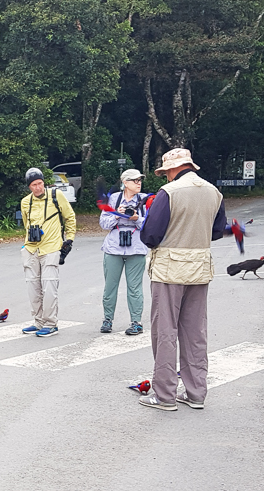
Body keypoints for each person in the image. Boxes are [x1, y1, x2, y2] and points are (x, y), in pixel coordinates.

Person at [138, 148, 227, 412]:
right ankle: (196, 392)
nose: (165, 177)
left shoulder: (170, 193)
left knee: (166, 332)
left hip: (169, 270)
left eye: (166, 172)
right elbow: (217, 231)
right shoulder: (213, 192)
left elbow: (150, 235)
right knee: (195, 332)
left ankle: (164, 394)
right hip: (199, 268)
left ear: (172, 169)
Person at [18, 168, 76, 337]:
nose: (38, 188)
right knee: (33, 288)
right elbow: (26, 223)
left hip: (51, 247)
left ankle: (51, 323)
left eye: (40, 183)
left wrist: (69, 239)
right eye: (34, 185)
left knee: (49, 287)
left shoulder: (55, 196)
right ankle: (38, 321)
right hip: (31, 248)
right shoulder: (25, 202)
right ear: (29, 186)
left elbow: (70, 217)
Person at [100, 168, 151, 336]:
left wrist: (136, 218)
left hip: (136, 247)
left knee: (135, 287)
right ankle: (107, 319)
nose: (138, 183)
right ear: (125, 183)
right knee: (110, 286)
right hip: (114, 246)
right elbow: (103, 223)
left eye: (140, 180)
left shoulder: (144, 200)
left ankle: (136, 322)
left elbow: (150, 224)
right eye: (135, 180)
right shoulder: (114, 199)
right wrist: (116, 214)